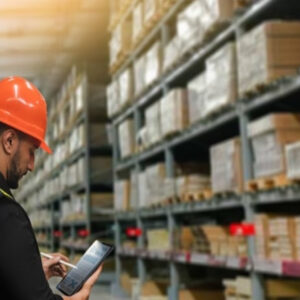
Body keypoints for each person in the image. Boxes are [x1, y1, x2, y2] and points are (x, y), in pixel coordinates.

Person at [0, 76, 103, 300]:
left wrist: (29, 276)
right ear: (9, 141)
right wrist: (78, 297)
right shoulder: (7, 214)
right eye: (32, 151)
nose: (31, 165)